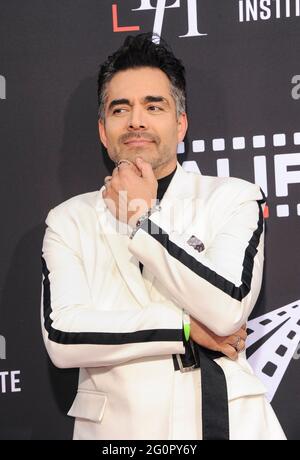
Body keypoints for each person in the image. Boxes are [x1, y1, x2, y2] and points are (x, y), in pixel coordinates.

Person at [41, 33, 286, 440]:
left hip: (226, 424)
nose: (136, 119)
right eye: (121, 109)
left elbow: (227, 309)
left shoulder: (235, 198)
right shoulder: (69, 220)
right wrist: (184, 328)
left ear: (181, 123)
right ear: (103, 130)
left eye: (153, 106)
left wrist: (142, 220)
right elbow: (64, 337)